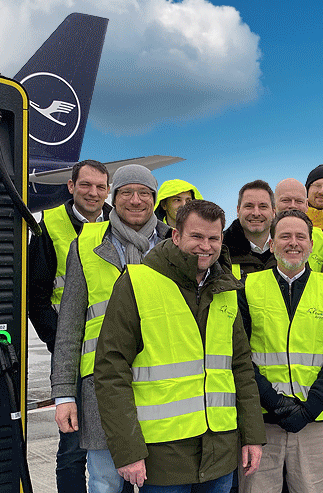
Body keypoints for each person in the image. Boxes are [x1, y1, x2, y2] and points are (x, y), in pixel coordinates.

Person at [93, 199, 266, 492]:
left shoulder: (226, 288)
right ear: (176, 235)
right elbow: (111, 372)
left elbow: (241, 368)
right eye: (196, 236)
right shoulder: (137, 283)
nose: (206, 246)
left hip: (219, 454)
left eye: (213, 238)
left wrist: (252, 436)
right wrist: (128, 450)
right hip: (163, 458)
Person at [52, 165, 172, 493]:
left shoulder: (173, 243)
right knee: (105, 481)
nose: (136, 200)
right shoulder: (86, 245)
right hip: (101, 386)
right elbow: (70, 326)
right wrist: (64, 393)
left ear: (154, 198)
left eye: (144, 193)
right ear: (113, 198)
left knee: (158, 482)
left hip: (162, 383)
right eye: (126, 192)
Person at [238, 209, 323, 493]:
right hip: (262, 422)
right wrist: (274, 403)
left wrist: (312, 407)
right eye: (285, 236)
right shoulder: (249, 287)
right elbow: (239, 356)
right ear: (272, 243)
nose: (294, 243)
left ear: (311, 244)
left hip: (314, 422)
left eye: (301, 236)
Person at [29, 159, 110, 492]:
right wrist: (60, 341)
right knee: (73, 447)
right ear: (71, 186)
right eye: (86, 185)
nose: (93, 193)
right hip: (74, 354)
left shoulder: (117, 223)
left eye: (100, 187)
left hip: (115, 351)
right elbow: (36, 295)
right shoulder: (52, 226)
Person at [225, 180, 277, 279]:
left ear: (273, 212)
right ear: (238, 210)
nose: (256, 213)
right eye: (249, 206)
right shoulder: (219, 250)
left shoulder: (290, 248)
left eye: (263, 206)